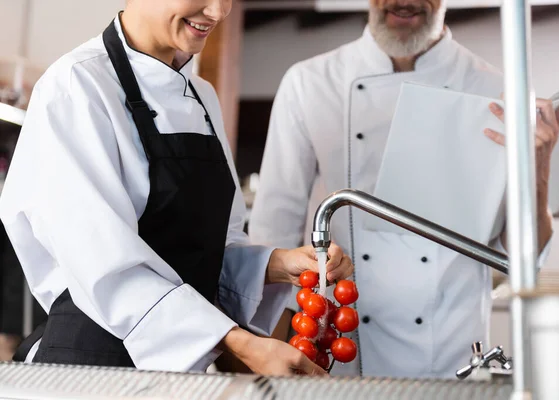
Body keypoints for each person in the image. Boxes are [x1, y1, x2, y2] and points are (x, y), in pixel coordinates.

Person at [0, 0, 354, 375]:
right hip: (93, 371)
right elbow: (106, 272)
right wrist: (240, 343)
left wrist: (276, 265)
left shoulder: (202, 95)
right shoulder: (76, 86)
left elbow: (207, 250)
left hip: (178, 376)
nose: (218, 12)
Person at [249, 0, 559, 378]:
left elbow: (526, 258)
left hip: (453, 351)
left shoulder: (498, 89)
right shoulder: (310, 82)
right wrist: (269, 359)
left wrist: (540, 172)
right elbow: (273, 234)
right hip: (345, 344)